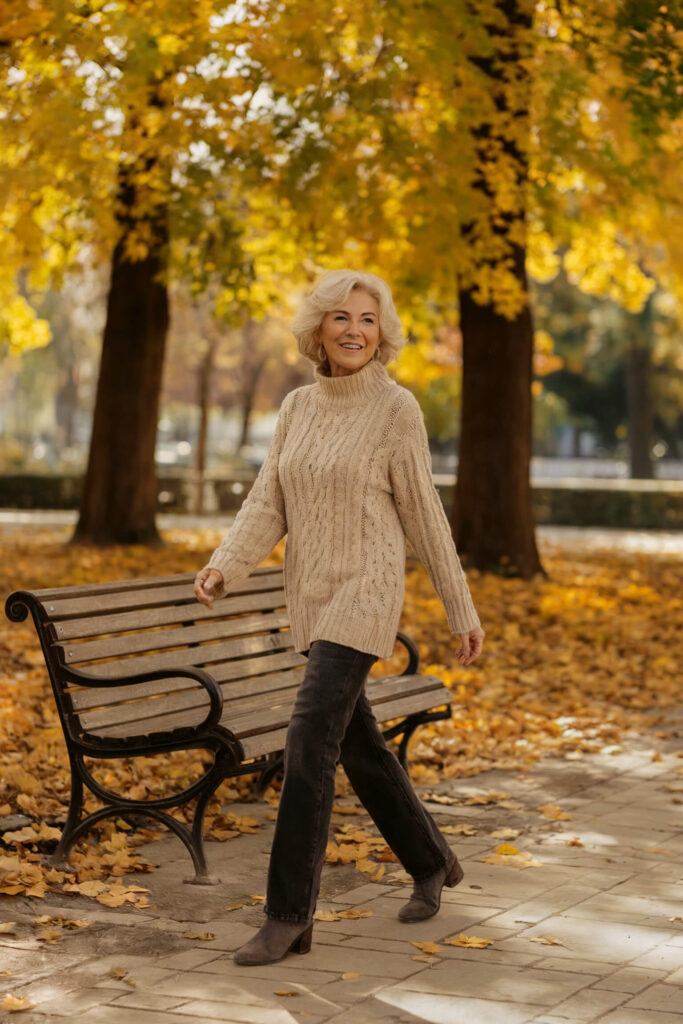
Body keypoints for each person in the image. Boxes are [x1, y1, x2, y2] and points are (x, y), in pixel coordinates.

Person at [193, 269, 485, 967]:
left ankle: (288, 916)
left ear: (381, 333)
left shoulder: (396, 410)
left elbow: (423, 515)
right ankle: (431, 858)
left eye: (367, 319)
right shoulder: (297, 407)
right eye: (340, 318)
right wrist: (225, 564)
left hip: (365, 592)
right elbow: (268, 500)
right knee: (357, 745)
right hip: (313, 595)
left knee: (306, 740)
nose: (354, 330)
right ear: (318, 330)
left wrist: (458, 606)